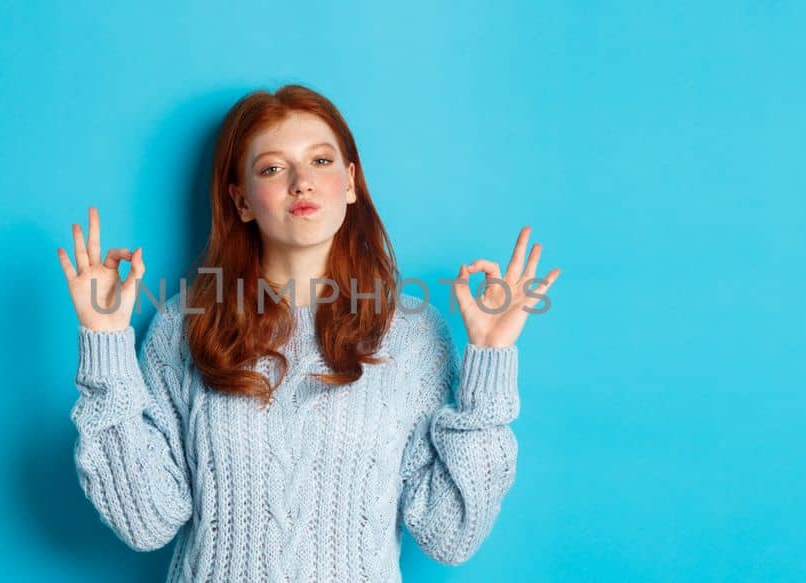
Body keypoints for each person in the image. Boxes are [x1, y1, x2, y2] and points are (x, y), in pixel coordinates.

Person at [54, 84, 560, 582]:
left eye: (321, 161)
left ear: (351, 182)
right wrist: (106, 344)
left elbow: (450, 537)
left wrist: (491, 360)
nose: (302, 182)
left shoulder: (412, 334)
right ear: (242, 200)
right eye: (273, 168)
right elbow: (145, 523)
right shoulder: (185, 326)